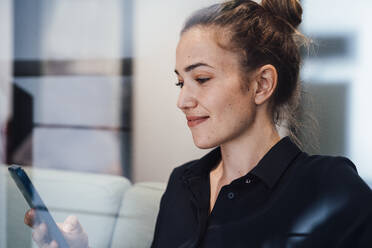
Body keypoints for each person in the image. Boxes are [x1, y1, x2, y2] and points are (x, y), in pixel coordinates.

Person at [25, 0, 372, 247]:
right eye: (181, 82)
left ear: (262, 84)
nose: (182, 100)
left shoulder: (329, 186)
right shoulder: (183, 184)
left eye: (202, 79)